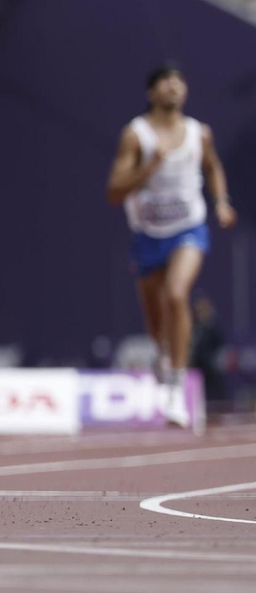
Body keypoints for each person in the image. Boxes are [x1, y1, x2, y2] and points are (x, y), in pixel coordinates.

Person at [106, 62, 236, 427]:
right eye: (166, 82)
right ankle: (164, 357)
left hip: (188, 228)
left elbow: (212, 166)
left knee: (177, 295)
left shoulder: (199, 133)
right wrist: (148, 169)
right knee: (154, 319)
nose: (174, 87)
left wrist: (222, 202)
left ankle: (177, 387)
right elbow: (114, 192)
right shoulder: (136, 135)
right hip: (147, 234)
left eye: (179, 82)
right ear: (152, 92)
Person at [190, 296, 226, 404]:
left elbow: (220, 346)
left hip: (210, 369)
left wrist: (215, 362)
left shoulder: (213, 327)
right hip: (196, 367)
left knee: (214, 397)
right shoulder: (193, 327)